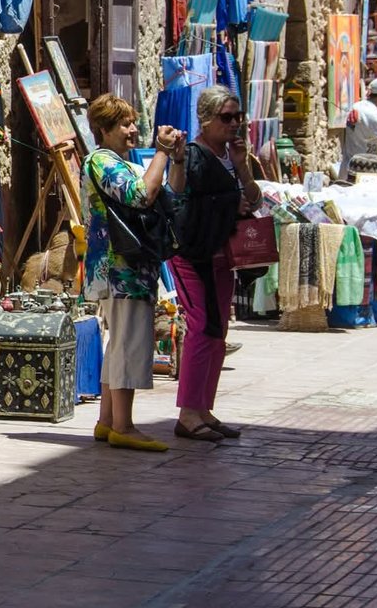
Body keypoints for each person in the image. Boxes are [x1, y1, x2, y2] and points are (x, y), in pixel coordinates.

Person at [82, 94, 184, 453]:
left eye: (132, 122)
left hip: (128, 268)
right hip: (120, 268)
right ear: (104, 129)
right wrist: (161, 151)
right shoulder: (102, 162)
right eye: (124, 124)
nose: (132, 129)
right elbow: (142, 195)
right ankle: (124, 425)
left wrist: (174, 158)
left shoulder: (121, 161)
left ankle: (108, 421)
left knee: (120, 343)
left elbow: (169, 194)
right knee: (130, 343)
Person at [168, 85, 262, 442]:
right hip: (195, 254)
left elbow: (253, 199)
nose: (234, 124)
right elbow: (178, 196)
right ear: (205, 120)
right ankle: (188, 412)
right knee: (202, 327)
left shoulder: (232, 155)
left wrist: (242, 166)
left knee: (218, 332)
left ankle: (204, 408)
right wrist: (228, 203)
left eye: (238, 116)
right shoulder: (193, 154)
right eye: (226, 117)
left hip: (222, 255)